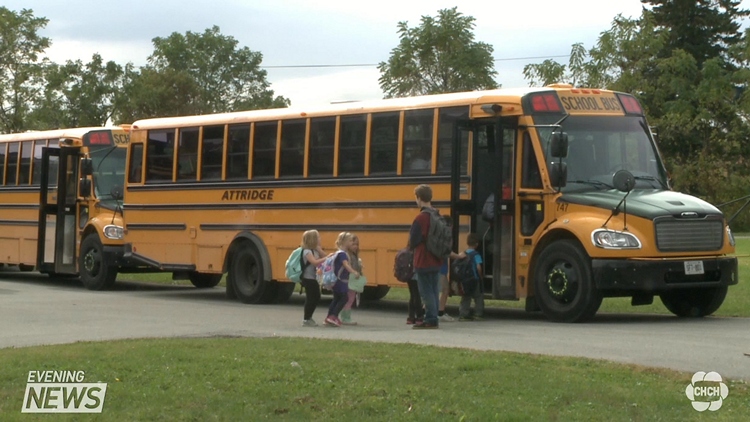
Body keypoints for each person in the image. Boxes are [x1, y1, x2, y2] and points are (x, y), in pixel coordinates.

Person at [408, 184, 443, 329]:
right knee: (434, 290)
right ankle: (434, 316)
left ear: (419, 198)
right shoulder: (437, 214)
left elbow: (413, 240)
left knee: (426, 291)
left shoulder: (421, 217)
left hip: (423, 259)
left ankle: (430, 319)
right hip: (437, 257)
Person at [325, 232, 360, 327]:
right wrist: (354, 272)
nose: (351, 242)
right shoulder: (343, 254)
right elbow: (345, 264)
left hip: (336, 280)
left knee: (336, 298)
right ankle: (333, 316)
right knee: (344, 298)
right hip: (341, 281)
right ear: (345, 242)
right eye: (350, 241)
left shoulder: (338, 253)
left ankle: (329, 316)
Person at [300, 230, 330, 327]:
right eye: (318, 238)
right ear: (313, 240)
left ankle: (309, 317)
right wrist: (326, 258)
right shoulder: (307, 251)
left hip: (314, 278)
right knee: (311, 297)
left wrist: (320, 250)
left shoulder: (315, 250)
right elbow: (315, 262)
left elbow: (325, 257)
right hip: (308, 278)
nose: (320, 239)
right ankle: (306, 319)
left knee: (316, 296)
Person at [458, 233, 485, 321]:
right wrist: (480, 276)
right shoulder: (476, 254)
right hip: (474, 279)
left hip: (465, 280)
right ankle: (478, 314)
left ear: (467, 243)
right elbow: (478, 267)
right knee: (478, 296)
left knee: (466, 296)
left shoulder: (463, 253)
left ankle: (463, 314)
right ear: (477, 244)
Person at [341, 234, 362, 325]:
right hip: (349, 280)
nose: (355, 247)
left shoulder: (354, 255)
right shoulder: (347, 255)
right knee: (349, 299)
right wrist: (354, 272)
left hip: (353, 280)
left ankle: (346, 317)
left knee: (351, 298)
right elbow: (347, 266)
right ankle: (345, 318)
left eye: (357, 244)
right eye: (353, 244)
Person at [438, 215, 455, 322]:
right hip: (440, 267)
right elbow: (446, 251)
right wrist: (459, 256)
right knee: (444, 290)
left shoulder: (437, 234)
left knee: (435, 290)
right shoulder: (445, 236)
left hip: (438, 266)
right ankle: (440, 312)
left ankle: (426, 311)